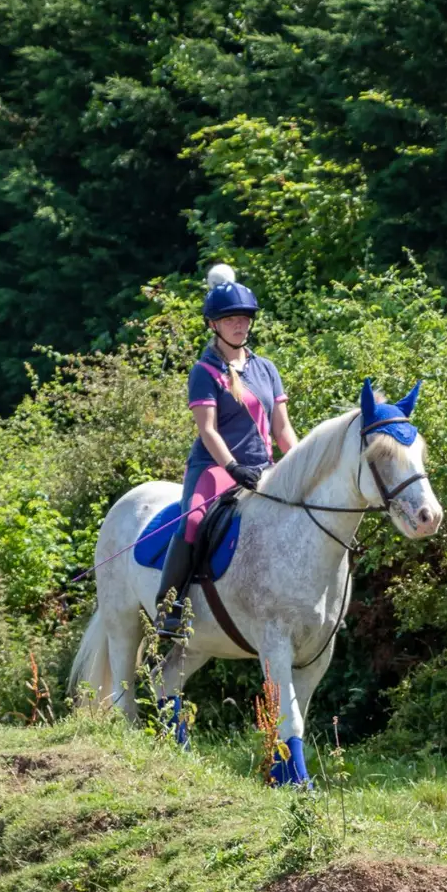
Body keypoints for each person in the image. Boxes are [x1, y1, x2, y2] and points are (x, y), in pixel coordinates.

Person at [154, 265, 301, 639]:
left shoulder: (266, 369)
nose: (240, 325)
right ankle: (168, 607)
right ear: (213, 325)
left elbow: (282, 429)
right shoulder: (204, 371)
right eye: (231, 319)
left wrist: (301, 465)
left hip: (264, 468)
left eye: (245, 318)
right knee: (192, 521)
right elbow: (208, 430)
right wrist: (233, 468)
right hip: (216, 468)